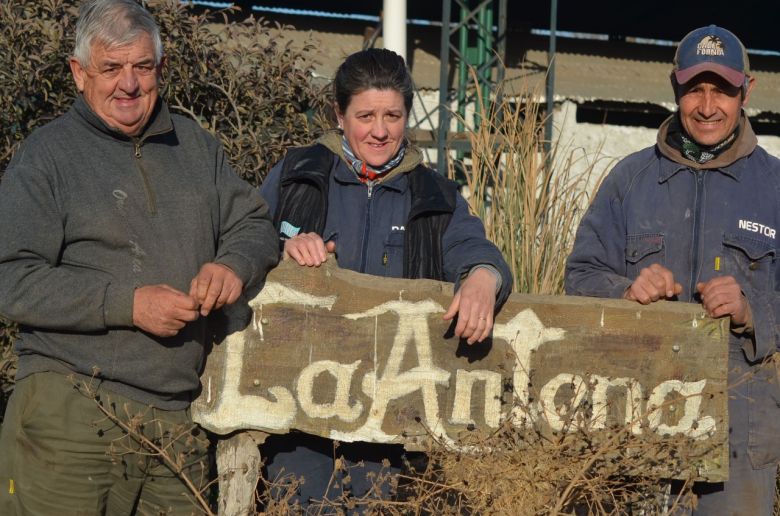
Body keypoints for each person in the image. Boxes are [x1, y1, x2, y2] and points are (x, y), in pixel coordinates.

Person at [0, 0, 279, 514]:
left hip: (176, 421)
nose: (128, 84)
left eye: (142, 67)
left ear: (161, 69)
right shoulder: (47, 156)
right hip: (72, 407)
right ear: (79, 74)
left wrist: (231, 265)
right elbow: (12, 281)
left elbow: (255, 223)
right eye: (111, 68)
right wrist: (127, 305)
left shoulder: (196, 147)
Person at [259, 48, 513, 509]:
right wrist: (281, 250)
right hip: (297, 415)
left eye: (393, 115)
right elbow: (245, 240)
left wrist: (482, 276)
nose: (380, 130)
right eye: (366, 115)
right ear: (339, 114)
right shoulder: (297, 175)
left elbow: (473, 247)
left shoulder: (436, 194)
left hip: (392, 423)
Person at [565, 25, 779, 514]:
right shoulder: (630, 181)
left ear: (747, 90)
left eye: (722, 90)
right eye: (694, 90)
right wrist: (624, 291)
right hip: (632, 427)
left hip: (739, 439)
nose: (707, 106)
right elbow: (580, 276)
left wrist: (752, 310)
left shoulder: (775, 188)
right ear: (674, 87)